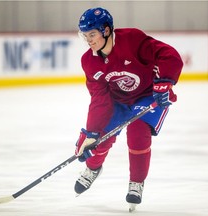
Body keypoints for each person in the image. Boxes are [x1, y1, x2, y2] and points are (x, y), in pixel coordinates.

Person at [74, 7, 183, 210]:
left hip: (148, 94)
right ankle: (93, 168)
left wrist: (164, 81)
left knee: (138, 131)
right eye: (85, 35)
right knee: (100, 137)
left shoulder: (132, 39)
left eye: (92, 34)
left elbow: (169, 55)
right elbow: (99, 98)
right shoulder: (89, 61)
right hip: (118, 100)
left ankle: (136, 182)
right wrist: (91, 132)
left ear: (106, 31)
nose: (88, 40)